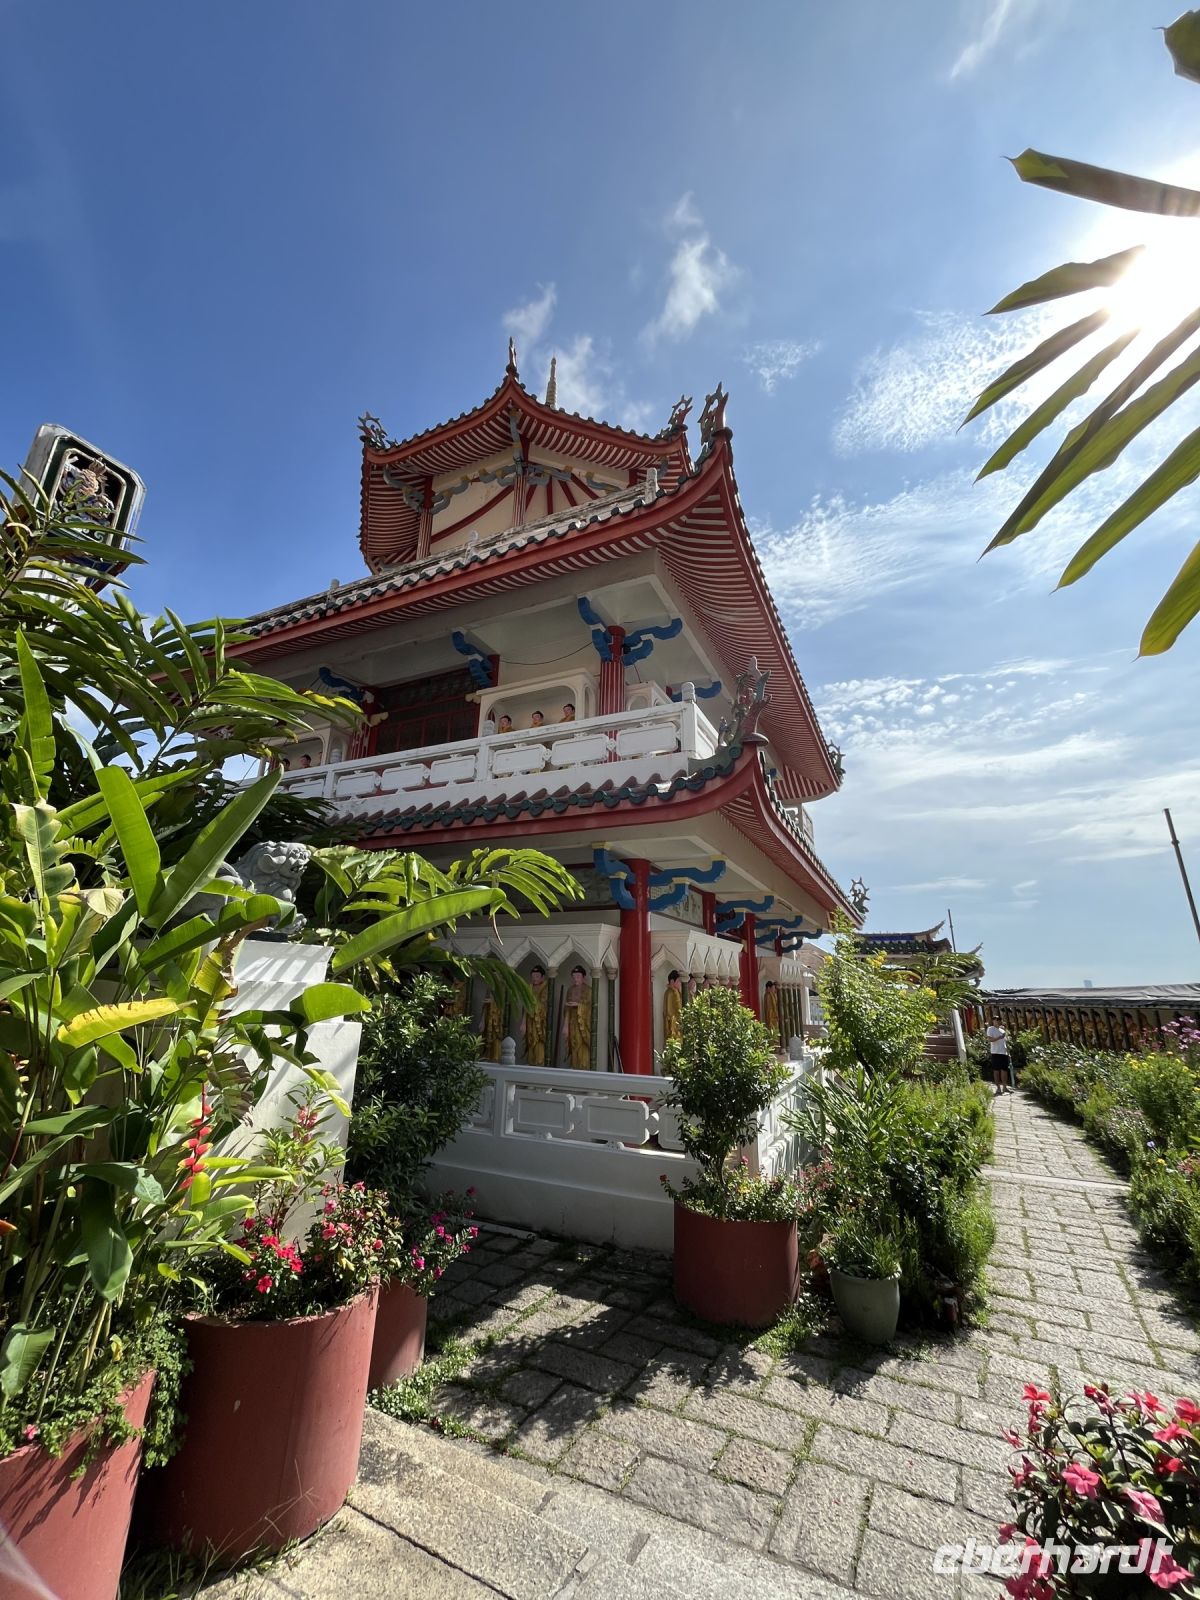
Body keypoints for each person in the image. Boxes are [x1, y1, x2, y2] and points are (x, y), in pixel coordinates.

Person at [987, 1019, 1012, 1095]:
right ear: (993, 1021)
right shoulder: (990, 1029)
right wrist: (999, 1037)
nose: (997, 1021)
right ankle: (998, 1088)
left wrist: (1008, 1052)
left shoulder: (1002, 1030)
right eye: (995, 1019)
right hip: (995, 1052)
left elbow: (1005, 1042)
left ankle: (1004, 1087)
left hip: (1004, 1053)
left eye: (998, 1020)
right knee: (996, 1070)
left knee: (1004, 1070)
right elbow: (990, 1039)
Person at [663, 970, 683, 1042]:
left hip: (678, 1022)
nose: (680, 983)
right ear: (672, 981)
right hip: (673, 1024)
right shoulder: (670, 993)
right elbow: (669, 1012)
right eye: (678, 981)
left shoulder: (677, 991)